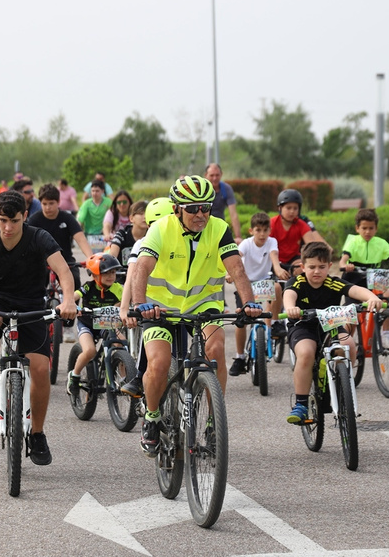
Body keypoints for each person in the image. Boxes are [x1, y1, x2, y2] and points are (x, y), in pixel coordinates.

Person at [126, 175, 262, 457]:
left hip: (204, 306)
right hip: (158, 307)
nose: (200, 214)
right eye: (192, 208)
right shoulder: (161, 229)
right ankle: (151, 418)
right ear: (177, 208)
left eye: (206, 207)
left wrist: (248, 303)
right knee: (160, 362)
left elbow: (236, 269)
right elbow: (141, 269)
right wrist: (139, 304)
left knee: (216, 351)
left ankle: (214, 424)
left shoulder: (219, 229)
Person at [0, 190, 77, 466]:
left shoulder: (39, 237)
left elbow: (64, 271)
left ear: (24, 216)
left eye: (14, 221)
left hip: (32, 302)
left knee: (40, 369)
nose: (8, 228)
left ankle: (37, 434)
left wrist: (68, 300)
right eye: (2, 221)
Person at [284, 241, 383, 424]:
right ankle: (301, 404)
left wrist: (372, 297)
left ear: (330, 266)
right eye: (311, 267)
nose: (316, 271)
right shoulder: (297, 282)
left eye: (322, 267)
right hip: (303, 326)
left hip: (330, 325)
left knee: (349, 346)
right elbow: (289, 294)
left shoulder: (332, 283)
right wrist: (290, 308)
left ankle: (342, 384)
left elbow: (355, 289)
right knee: (306, 353)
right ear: (302, 266)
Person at [118, 197, 173, 398]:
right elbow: (131, 276)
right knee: (151, 330)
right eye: (156, 224)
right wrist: (126, 307)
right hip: (151, 303)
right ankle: (140, 376)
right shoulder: (142, 243)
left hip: (180, 303)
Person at [337, 208, 389, 343]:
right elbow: (344, 258)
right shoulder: (353, 241)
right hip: (353, 278)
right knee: (353, 314)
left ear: (376, 229)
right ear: (357, 228)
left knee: (388, 297)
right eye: (364, 228)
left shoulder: (380, 243)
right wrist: (344, 264)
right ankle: (344, 342)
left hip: (374, 278)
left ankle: (386, 333)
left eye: (371, 228)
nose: (367, 231)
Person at [229, 213, 284, 377]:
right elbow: (236, 258)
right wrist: (231, 274)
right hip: (245, 283)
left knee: (276, 287)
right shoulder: (246, 244)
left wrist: (279, 269)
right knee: (241, 320)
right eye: (258, 230)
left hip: (264, 281)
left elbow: (274, 257)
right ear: (251, 230)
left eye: (265, 230)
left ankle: (274, 323)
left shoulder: (271, 242)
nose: (262, 234)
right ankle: (239, 357)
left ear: (269, 231)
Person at [66, 253, 124, 396]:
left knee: (121, 344)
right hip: (87, 324)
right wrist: (71, 306)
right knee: (90, 350)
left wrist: (122, 307)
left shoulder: (118, 288)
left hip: (107, 323)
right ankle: (74, 375)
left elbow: (125, 301)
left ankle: (124, 379)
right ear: (95, 275)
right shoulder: (88, 287)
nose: (111, 276)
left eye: (113, 272)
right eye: (106, 273)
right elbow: (74, 297)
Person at [26, 184, 93, 290]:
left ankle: (72, 305)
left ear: (58, 202)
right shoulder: (34, 220)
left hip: (66, 260)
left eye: (51, 203)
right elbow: (26, 242)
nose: (48, 207)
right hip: (41, 262)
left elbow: (80, 238)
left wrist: (90, 258)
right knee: (34, 287)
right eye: (44, 204)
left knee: (74, 281)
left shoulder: (67, 218)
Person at [270, 189, 326, 279]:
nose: (292, 211)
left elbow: (311, 246)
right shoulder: (272, 223)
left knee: (302, 268)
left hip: (293, 260)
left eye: (295, 208)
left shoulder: (301, 224)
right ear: (280, 208)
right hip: (273, 260)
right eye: (288, 208)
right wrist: (277, 267)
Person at [205, 163, 243, 244]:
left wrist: (238, 237)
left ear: (221, 174)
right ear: (206, 175)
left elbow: (233, 215)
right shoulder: (201, 190)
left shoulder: (226, 189)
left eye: (217, 175)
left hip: (219, 228)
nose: (214, 178)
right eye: (211, 175)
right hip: (203, 227)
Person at [108, 201, 148, 265]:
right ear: (131, 218)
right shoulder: (121, 235)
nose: (145, 217)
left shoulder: (152, 236)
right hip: (122, 274)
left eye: (148, 213)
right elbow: (112, 256)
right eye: (141, 214)